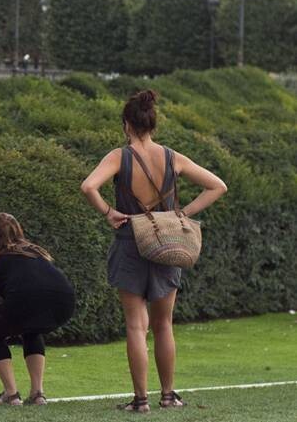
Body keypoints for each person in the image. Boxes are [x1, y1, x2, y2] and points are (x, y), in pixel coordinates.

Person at [81, 90, 227, 412]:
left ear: (126, 125)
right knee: (164, 325)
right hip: (168, 243)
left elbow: (88, 186)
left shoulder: (120, 156)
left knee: (136, 325)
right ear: (153, 124)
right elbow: (218, 185)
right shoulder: (173, 157)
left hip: (130, 239)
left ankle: (141, 400)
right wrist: (183, 214)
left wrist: (108, 212)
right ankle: (168, 395)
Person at [0, 213, 76, 406]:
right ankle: (38, 393)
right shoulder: (36, 251)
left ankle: (11, 395)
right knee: (32, 331)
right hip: (64, 302)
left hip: (24, 300)